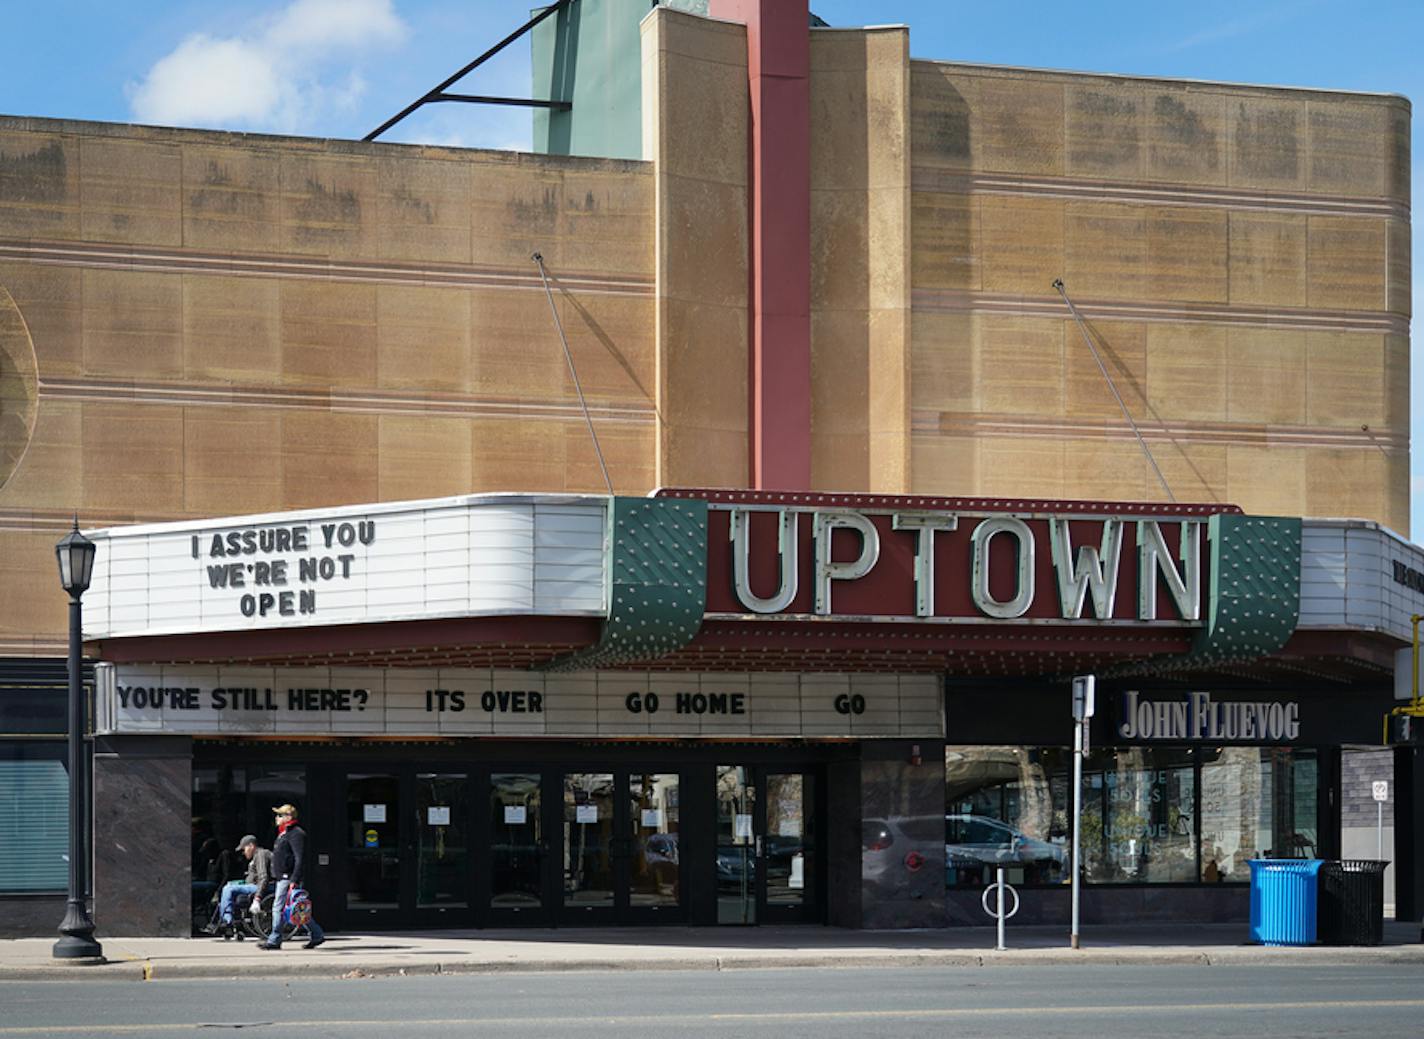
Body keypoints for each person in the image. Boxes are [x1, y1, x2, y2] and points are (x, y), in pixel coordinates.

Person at [258, 803, 326, 950]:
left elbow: (299, 858)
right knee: (297, 909)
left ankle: (275, 939)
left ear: (288, 817)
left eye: (280, 815)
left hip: (287, 877)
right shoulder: (284, 833)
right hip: (282, 877)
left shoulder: (296, 833)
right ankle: (317, 934)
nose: (276, 818)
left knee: (278, 908)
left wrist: (294, 879)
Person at [209, 835, 272, 938]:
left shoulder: (261, 855)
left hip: (260, 887)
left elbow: (263, 877)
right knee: (229, 885)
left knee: (228, 889)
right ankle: (226, 919)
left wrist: (257, 898)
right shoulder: (256, 856)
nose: (243, 852)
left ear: (251, 846)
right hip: (252, 884)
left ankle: (227, 921)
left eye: (244, 849)